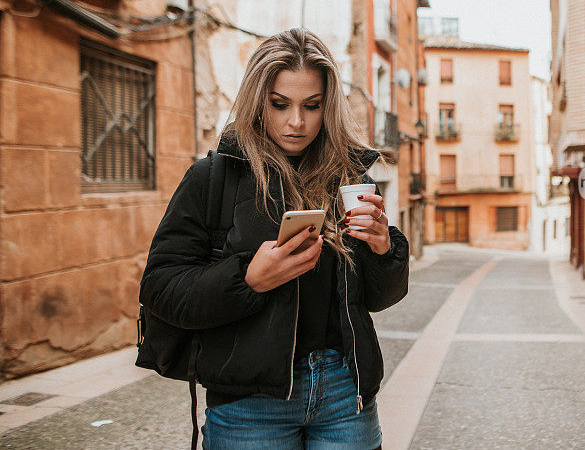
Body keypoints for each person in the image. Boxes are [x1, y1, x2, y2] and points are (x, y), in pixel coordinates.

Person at [139, 27, 410, 449]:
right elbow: (161, 287)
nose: (297, 122)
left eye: (312, 106)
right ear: (257, 101)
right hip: (250, 400)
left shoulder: (350, 179)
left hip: (344, 391)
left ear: (329, 107)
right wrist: (248, 280)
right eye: (280, 104)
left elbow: (378, 298)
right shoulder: (213, 178)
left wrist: (382, 249)